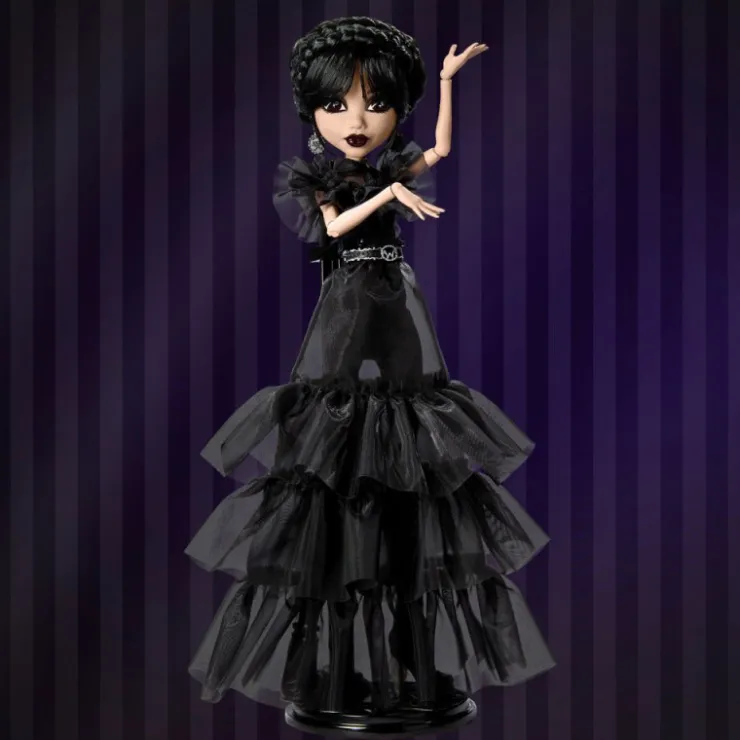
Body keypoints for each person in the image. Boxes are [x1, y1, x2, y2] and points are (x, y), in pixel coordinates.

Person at [185, 15, 555, 725]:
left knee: (415, 434)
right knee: (337, 443)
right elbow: (331, 229)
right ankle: (331, 663)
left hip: (397, 305)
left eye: (375, 104)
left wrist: (446, 83)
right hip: (348, 307)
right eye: (337, 105)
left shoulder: (392, 163)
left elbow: (441, 148)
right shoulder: (318, 176)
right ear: (313, 113)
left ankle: (415, 656)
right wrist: (389, 196)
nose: (356, 121)